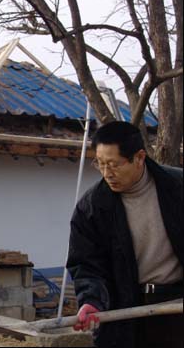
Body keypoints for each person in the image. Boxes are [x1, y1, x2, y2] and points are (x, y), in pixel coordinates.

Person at [66, 121, 183, 348]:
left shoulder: (177, 189)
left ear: (139, 158)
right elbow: (86, 265)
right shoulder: (91, 208)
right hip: (125, 309)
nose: (107, 173)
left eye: (114, 164)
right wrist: (91, 301)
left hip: (177, 304)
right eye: (100, 164)